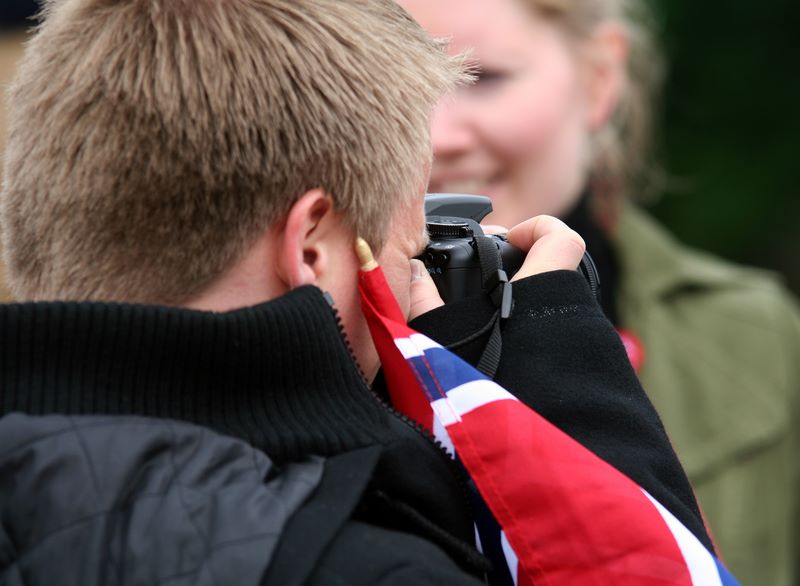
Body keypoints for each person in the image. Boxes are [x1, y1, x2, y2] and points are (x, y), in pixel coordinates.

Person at [0, 0, 714, 583]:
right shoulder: (372, 564)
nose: (415, 284)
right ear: (310, 249)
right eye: (410, 251)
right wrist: (578, 407)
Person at [397, 0, 800, 583]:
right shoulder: (305, 334)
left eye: (483, 79)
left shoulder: (756, 335)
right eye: (397, 86)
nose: (438, 136)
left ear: (599, 78)